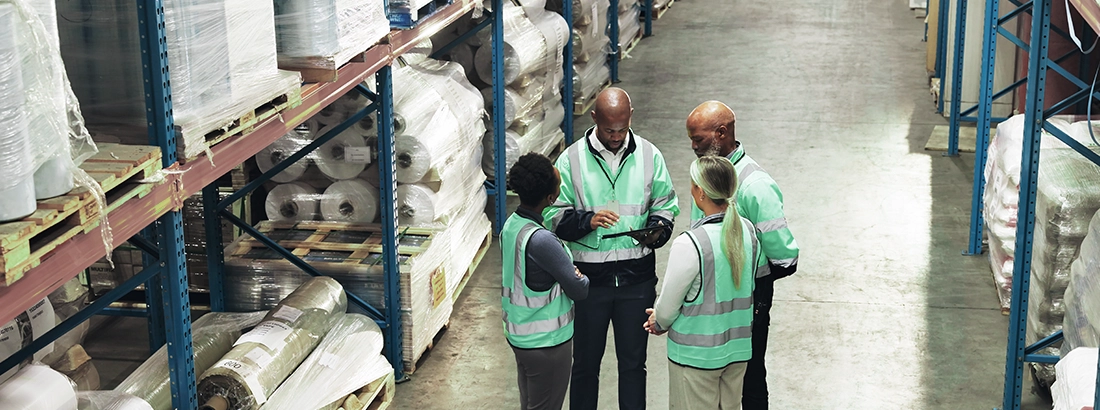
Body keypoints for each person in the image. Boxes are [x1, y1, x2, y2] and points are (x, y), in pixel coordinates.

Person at [544, 87, 679, 410]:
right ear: (594, 119)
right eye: (609, 130)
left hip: (637, 281)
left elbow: (666, 205)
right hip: (589, 284)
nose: (616, 136)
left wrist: (656, 232)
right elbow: (552, 215)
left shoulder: (650, 155)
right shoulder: (571, 159)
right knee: (586, 366)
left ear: (630, 118)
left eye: (622, 129)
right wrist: (587, 221)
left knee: (633, 365)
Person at [685, 101, 799, 410]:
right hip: (712, 293)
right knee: (715, 375)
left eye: (699, 139)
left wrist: (744, 274)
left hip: (749, 296)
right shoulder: (706, 177)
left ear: (721, 134)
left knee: (747, 375)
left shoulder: (755, 185)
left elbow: (785, 259)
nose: (693, 147)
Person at [644, 155, 760, 410]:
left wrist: (659, 321)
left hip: (696, 358)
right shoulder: (749, 232)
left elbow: (669, 303)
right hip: (737, 351)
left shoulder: (691, 243)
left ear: (701, 193)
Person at [502, 153, 591, 410]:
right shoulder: (542, 241)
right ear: (551, 198)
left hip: (521, 335)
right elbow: (579, 289)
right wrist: (578, 275)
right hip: (547, 343)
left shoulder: (512, 225)